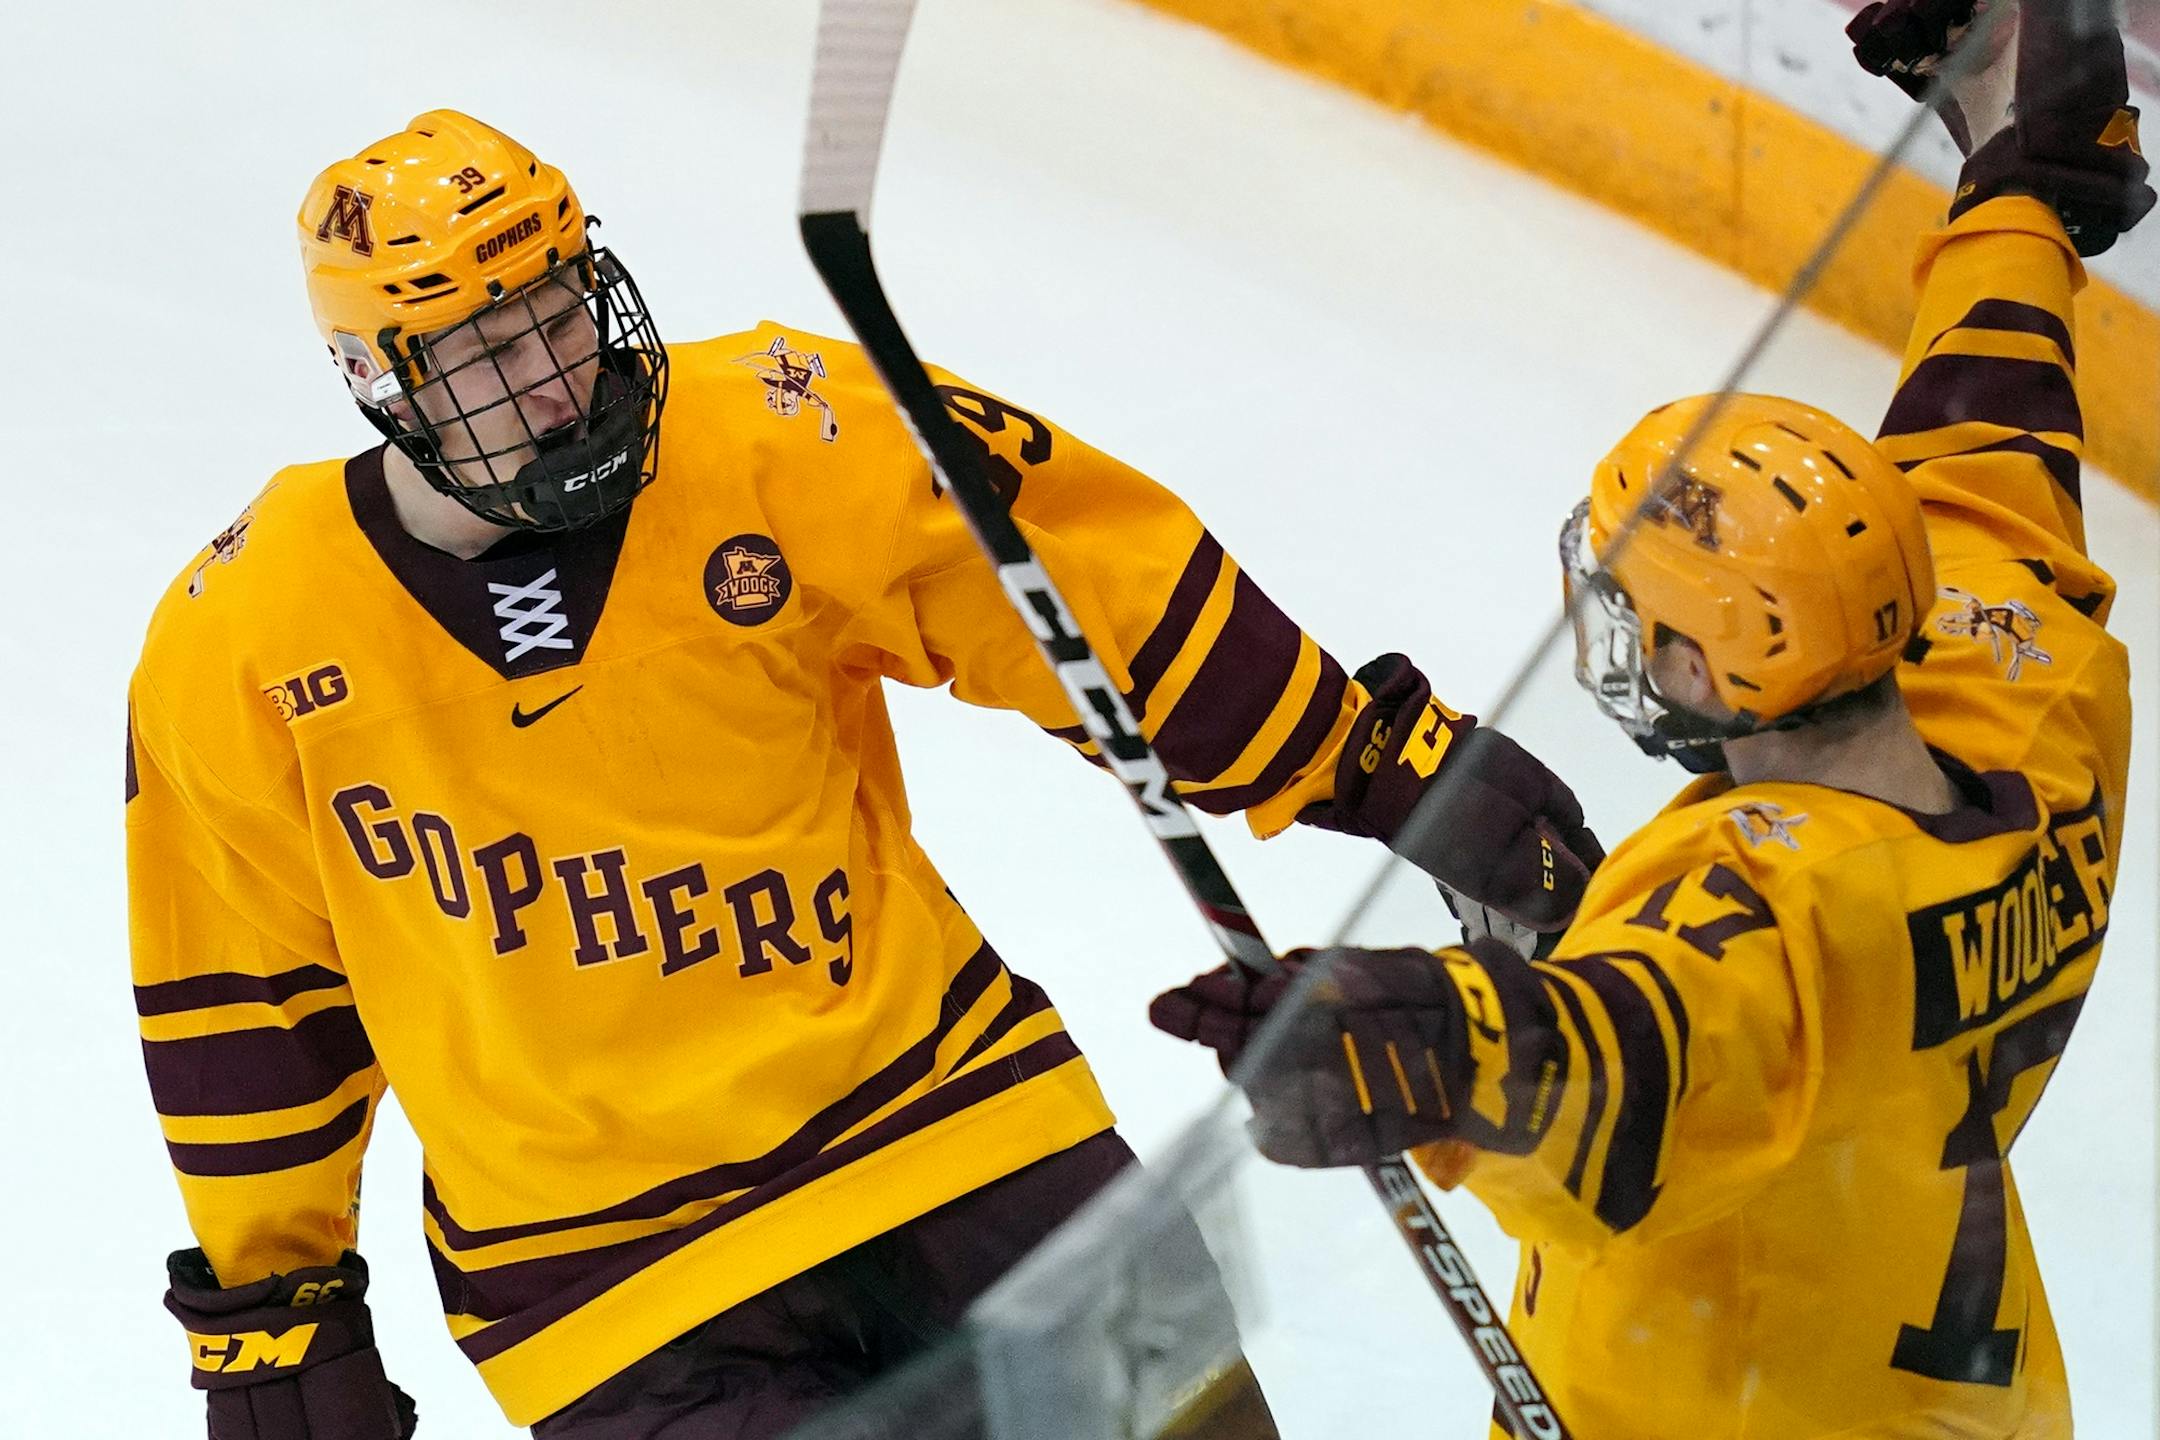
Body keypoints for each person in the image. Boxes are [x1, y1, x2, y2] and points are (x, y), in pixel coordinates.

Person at [126, 110, 1604, 1439]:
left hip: (958, 1132)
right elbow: (245, 997)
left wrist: (1371, 763)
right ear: (379, 381)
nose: (561, 377)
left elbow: (1086, 589)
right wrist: (276, 1314)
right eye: (492, 356)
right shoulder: (243, 641)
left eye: (565, 311)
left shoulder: (777, 429)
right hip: (606, 1291)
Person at [1150, 2, 2150, 1435]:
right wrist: (2021, 193)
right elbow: (1987, 451)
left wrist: (1447, 1036)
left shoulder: (1780, 910)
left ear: (1708, 664)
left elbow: (1654, 1055)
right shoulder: (2021, 700)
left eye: (1635, 617)